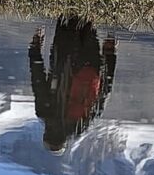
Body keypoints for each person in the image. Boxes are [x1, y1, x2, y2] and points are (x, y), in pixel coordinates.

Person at [29, 16, 117, 153]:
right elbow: (38, 79)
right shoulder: (46, 114)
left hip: (90, 67)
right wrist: (35, 49)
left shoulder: (81, 125)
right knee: (68, 16)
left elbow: (104, 93)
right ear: (46, 134)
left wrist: (110, 56)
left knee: (88, 23)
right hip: (65, 61)